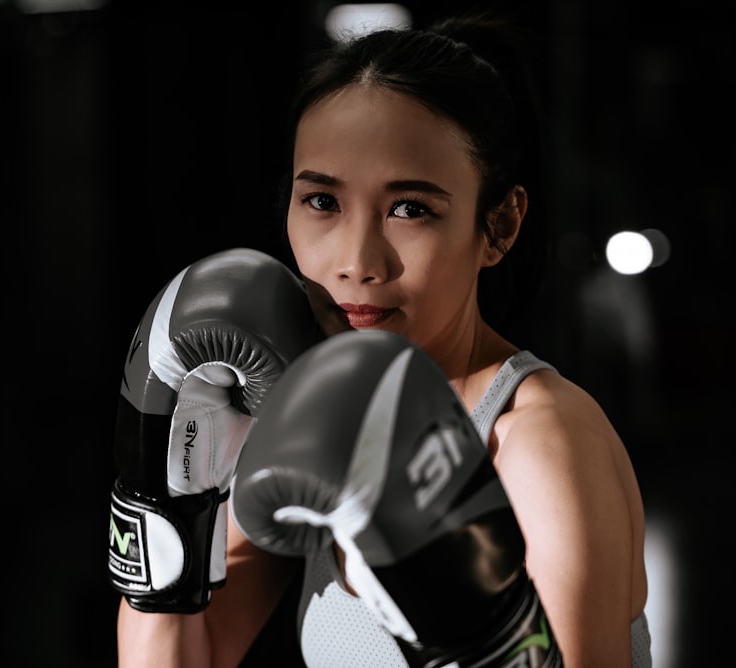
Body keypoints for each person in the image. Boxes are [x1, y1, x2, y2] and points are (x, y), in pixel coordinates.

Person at [114, 9, 651, 668]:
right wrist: (167, 502)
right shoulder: (322, 419)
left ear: (501, 225)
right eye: (322, 202)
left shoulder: (541, 443)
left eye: (410, 209)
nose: (356, 261)